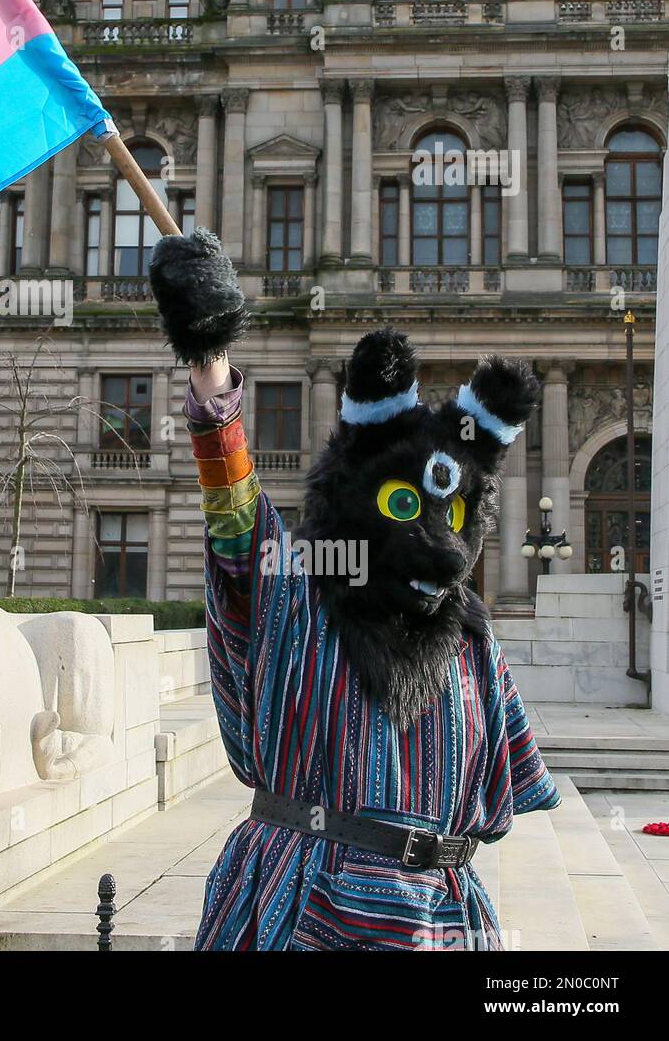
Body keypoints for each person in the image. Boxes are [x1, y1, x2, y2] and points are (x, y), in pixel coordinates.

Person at [149, 228, 559, 951]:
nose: (437, 538)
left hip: (442, 918)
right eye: (406, 505)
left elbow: (497, 805)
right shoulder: (299, 593)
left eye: (454, 513)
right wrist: (210, 356)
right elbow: (235, 512)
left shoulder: (470, 641)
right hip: (307, 901)